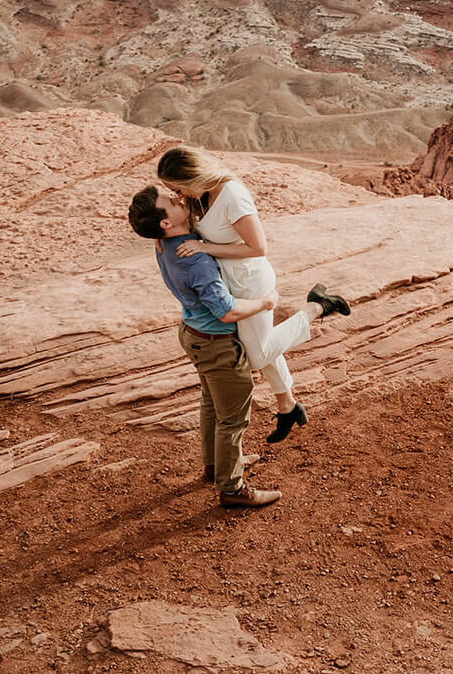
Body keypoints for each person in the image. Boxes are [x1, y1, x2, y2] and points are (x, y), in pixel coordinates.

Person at [128, 186, 350, 508]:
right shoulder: (195, 262)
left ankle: (216, 467)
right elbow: (227, 310)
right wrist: (265, 302)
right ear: (164, 223)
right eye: (170, 200)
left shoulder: (163, 245)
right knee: (232, 419)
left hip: (193, 335)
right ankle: (232, 489)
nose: (178, 199)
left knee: (211, 404)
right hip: (217, 344)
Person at [157, 146, 348, 443]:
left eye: (177, 187)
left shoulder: (232, 195)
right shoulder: (201, 195)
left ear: (191, 176)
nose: (177, 194)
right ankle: (288, 406)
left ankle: (316, 307)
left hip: (250, 283)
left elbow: (258, 247)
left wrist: (206, 248)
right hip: (229, 285)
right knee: (263, 343)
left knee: (257, 356)